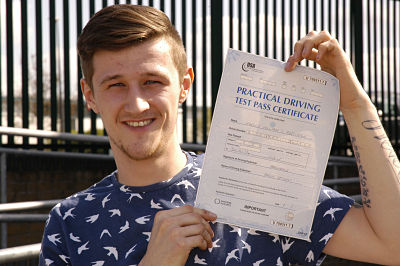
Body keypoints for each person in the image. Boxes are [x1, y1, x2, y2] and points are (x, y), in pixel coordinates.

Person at [39, 4, 400, 266]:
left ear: (184, 86)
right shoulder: (69, 223)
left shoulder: (261, 185)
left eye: (152, 82)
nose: (136, 104)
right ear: (90, 95)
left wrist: (354, 104)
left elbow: (393, 244)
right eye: (115, 85)